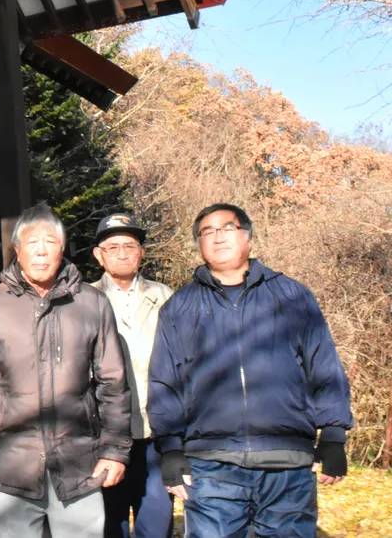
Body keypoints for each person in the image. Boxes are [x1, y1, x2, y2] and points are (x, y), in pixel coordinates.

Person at [148, 203, 354, 538]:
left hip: (286, 462)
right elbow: (164, 381)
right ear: (199, 244)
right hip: (211, 464)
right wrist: (170, 447)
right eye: (207, 231)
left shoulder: (291, 296)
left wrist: (333, 436)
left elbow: (324, 366)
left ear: (249, 238)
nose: (218, 237)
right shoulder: (181, 307)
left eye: (227, 227)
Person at [0, 203, 132, 538]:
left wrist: (115, 450)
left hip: (79, 463)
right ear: (17, 250)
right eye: (32, 242)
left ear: (63, 247)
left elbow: (113, 384)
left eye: (50, 241)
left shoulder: (91, 303)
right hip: (13, 467)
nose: (41, 251)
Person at [90, 214, 174, 538]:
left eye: (130, 245)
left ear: (141, 252)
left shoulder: (166, 297)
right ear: (99, 255)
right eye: (113, 247)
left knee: (156, 521)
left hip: (156, 433)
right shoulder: (85, 299)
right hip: (104, 434)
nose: (122, 253)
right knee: (110, 524)